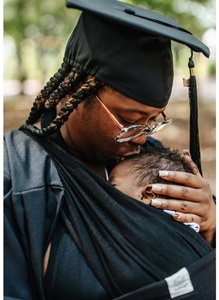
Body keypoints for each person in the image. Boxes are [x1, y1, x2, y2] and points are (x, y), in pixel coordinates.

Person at [4, 0, 215, 299]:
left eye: (153, 121)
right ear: (78, 90)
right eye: (130, 120)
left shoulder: (152, 161)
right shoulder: (17, 176)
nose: (141, 138)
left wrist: (210, 227)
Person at [109, 145, 200, 232]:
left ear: (148, 194)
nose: (105, 187)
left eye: (112, 185)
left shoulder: (143, 225)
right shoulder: (189, 225)